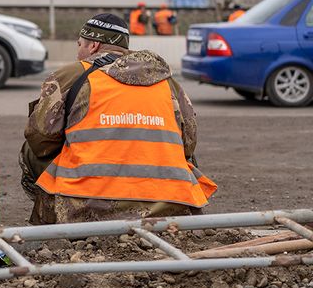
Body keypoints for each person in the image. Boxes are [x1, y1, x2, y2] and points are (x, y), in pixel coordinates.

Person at [19, 13, 216, 224]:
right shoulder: (168, 83)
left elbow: (40, 140)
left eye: (80, 45)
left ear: (93, 45)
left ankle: (50, 221)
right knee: (183, 156)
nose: (78, 53)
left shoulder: (70, 75)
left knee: (30, 151)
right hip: (170, 205)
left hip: (85, 208)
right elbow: (188, 144)